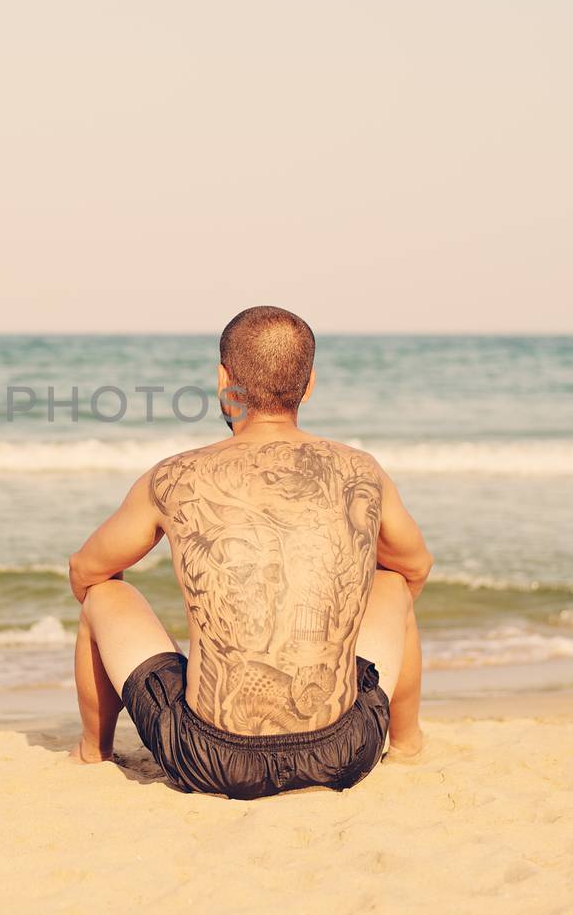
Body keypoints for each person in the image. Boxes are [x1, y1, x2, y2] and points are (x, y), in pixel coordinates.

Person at [68, 306, 432, 799]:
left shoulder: (174, 477)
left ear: (224, 381)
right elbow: (414, 567)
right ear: (309, 386)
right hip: (344, 750)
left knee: (103, 594)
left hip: (210, 759)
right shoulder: (360, 471)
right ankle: (407, 745)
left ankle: (95, 752)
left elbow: (86, 570)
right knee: (391, 583)